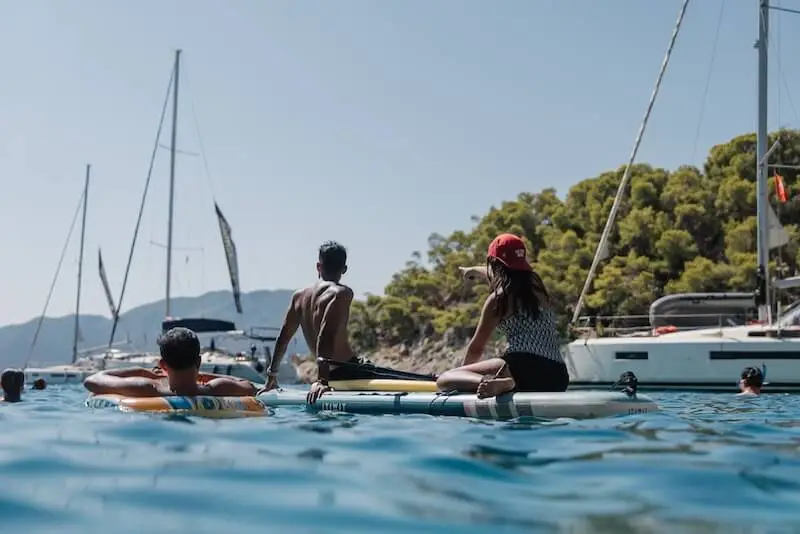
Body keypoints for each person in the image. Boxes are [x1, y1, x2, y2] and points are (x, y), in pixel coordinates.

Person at [259, 241, 434, 403]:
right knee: (428, 381)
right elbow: (326, 334)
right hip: (348, 371)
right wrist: (321, 381)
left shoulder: (298, 297)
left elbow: (283, 337)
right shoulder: (340, 293)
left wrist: (271, 376)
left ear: (318, 267)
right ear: (344, 269)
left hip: (329, 374)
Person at [436, 233, 569, 398]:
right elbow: (499, 273)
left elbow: (476, 348)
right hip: (558, 376)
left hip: (521, 370)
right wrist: (473, 270)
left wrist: (463, 377)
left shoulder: (499, 299)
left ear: (494, 264)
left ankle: (503, 383)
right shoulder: (537, 288)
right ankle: (503, 383)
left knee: (445, 379)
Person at [83, 327, 257, 397]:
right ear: (198, 362)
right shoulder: (218, 388)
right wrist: (202, 375)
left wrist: (143, 372)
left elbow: (93, 380)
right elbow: (249, 386)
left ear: (163, 365)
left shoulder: (149, 388)